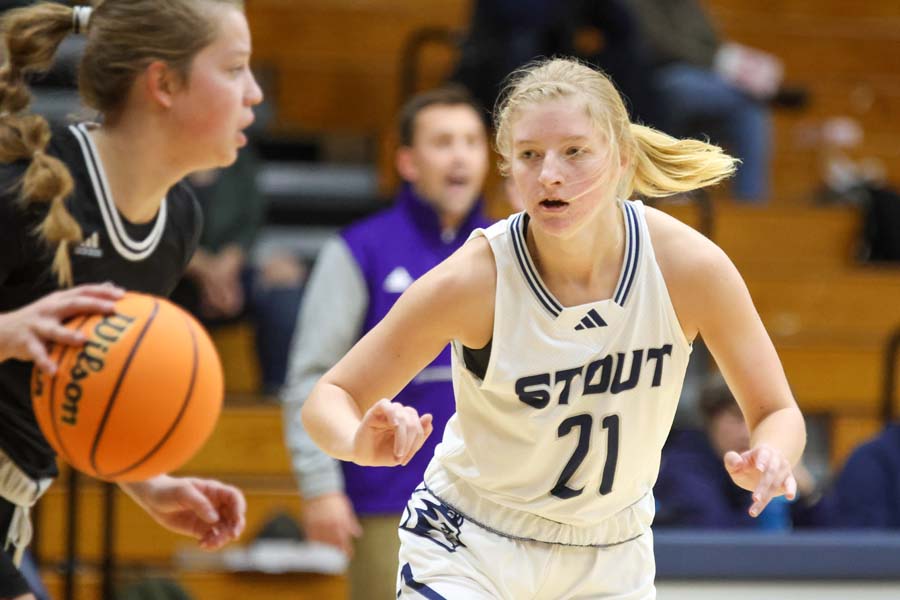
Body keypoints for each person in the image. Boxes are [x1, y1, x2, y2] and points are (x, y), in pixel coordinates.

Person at [301, 57, 806, 599]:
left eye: (574, 152)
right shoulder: (475, 280)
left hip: (610, 553)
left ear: (621, 158)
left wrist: (772, 456)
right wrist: (356, 441)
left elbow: (776, 411)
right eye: (529, 156)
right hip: (472, 542)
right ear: (508, 169)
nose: (549, 175)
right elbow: (330, 396)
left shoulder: (689, 269)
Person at [0, 1, 262, 597]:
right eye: (235, 69)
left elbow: (89, 383)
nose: (254, 93)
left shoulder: (177, 225)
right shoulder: (28, 186)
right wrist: (8, 330)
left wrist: (148, 479)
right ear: (163, 83)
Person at [281, 86, 490, 600]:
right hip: (387, 502)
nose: (460, 155)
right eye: (443, 142)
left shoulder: (509, 252)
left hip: (492, 506)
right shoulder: (358, 250)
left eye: (471, 141)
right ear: (407, 162)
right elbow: (310, 379)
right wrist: (320, 486)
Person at [630, 0, 780, 202]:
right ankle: (669, 186)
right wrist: (722, 65)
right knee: (739, 97)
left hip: (705, 76)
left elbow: (715, 44)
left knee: (752, 114)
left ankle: (750, 204)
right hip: (661, 76)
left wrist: (735, 65)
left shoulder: (689, 6)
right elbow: (659, 44)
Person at [655, 374, 822, 530]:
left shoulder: (777, 461)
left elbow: (831, 548)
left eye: (764, 421)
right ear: (711, 419)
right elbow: (725, 546)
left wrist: (809, 497)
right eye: (737, 417)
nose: (749, 432)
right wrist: (769, 494)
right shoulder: (683, 467)